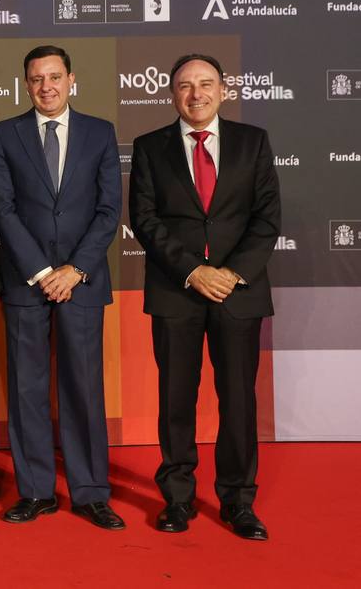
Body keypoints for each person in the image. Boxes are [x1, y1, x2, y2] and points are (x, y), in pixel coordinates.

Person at [129, 53, 280, 541]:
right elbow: (145, 219)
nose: (196, 94)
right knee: (176, 398)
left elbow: (267, 218)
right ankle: (177, 499)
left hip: (239, 293)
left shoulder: (252, 142)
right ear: (172, 93)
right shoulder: (150, 147)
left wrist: (230, 273)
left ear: (223, 89)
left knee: (238, 400)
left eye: (206, 84)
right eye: (185, 86)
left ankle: (239, 501)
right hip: (177, 291)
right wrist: (194, 272)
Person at [0, 46, 124, 530]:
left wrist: (74, 270)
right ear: (25, 84)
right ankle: (36, 491)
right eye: (36, 79)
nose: (46, 86)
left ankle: (90, 492)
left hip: (83, 282)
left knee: (84, 389)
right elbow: (2, 209)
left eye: (54, 77)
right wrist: (43, 272)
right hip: (27, 283)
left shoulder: (100, 132)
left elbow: (110, 210)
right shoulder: (4, 134)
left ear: (71, 78)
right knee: (26, 389)